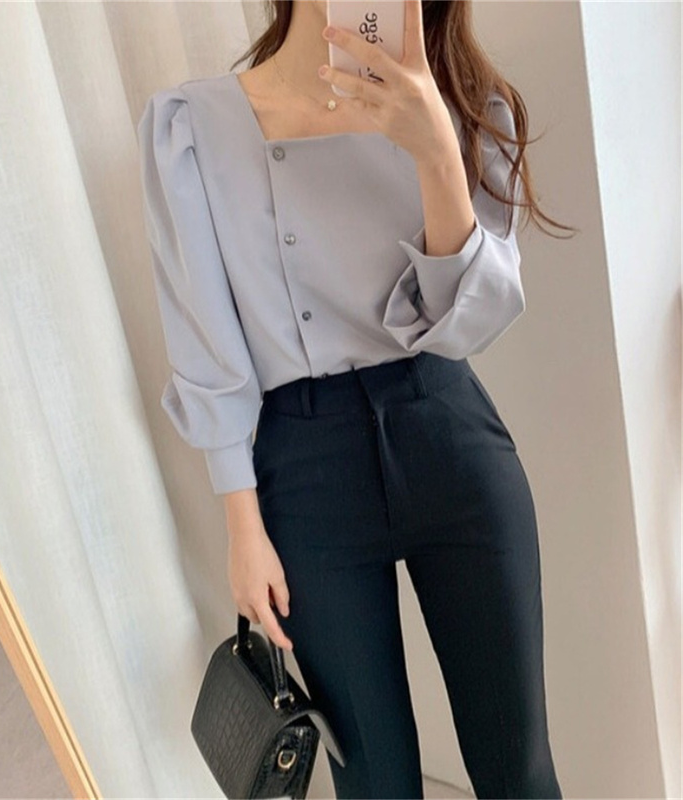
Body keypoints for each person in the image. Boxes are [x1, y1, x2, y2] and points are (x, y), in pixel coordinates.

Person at [138, 1, 568, 797]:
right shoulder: (193, 128)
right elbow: (206, 344)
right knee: (372, 780)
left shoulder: (465, 103)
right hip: (305, 473)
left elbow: (477, 321)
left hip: (448, 430)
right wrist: (241, 526)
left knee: (520, 767)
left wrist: (434, 149)